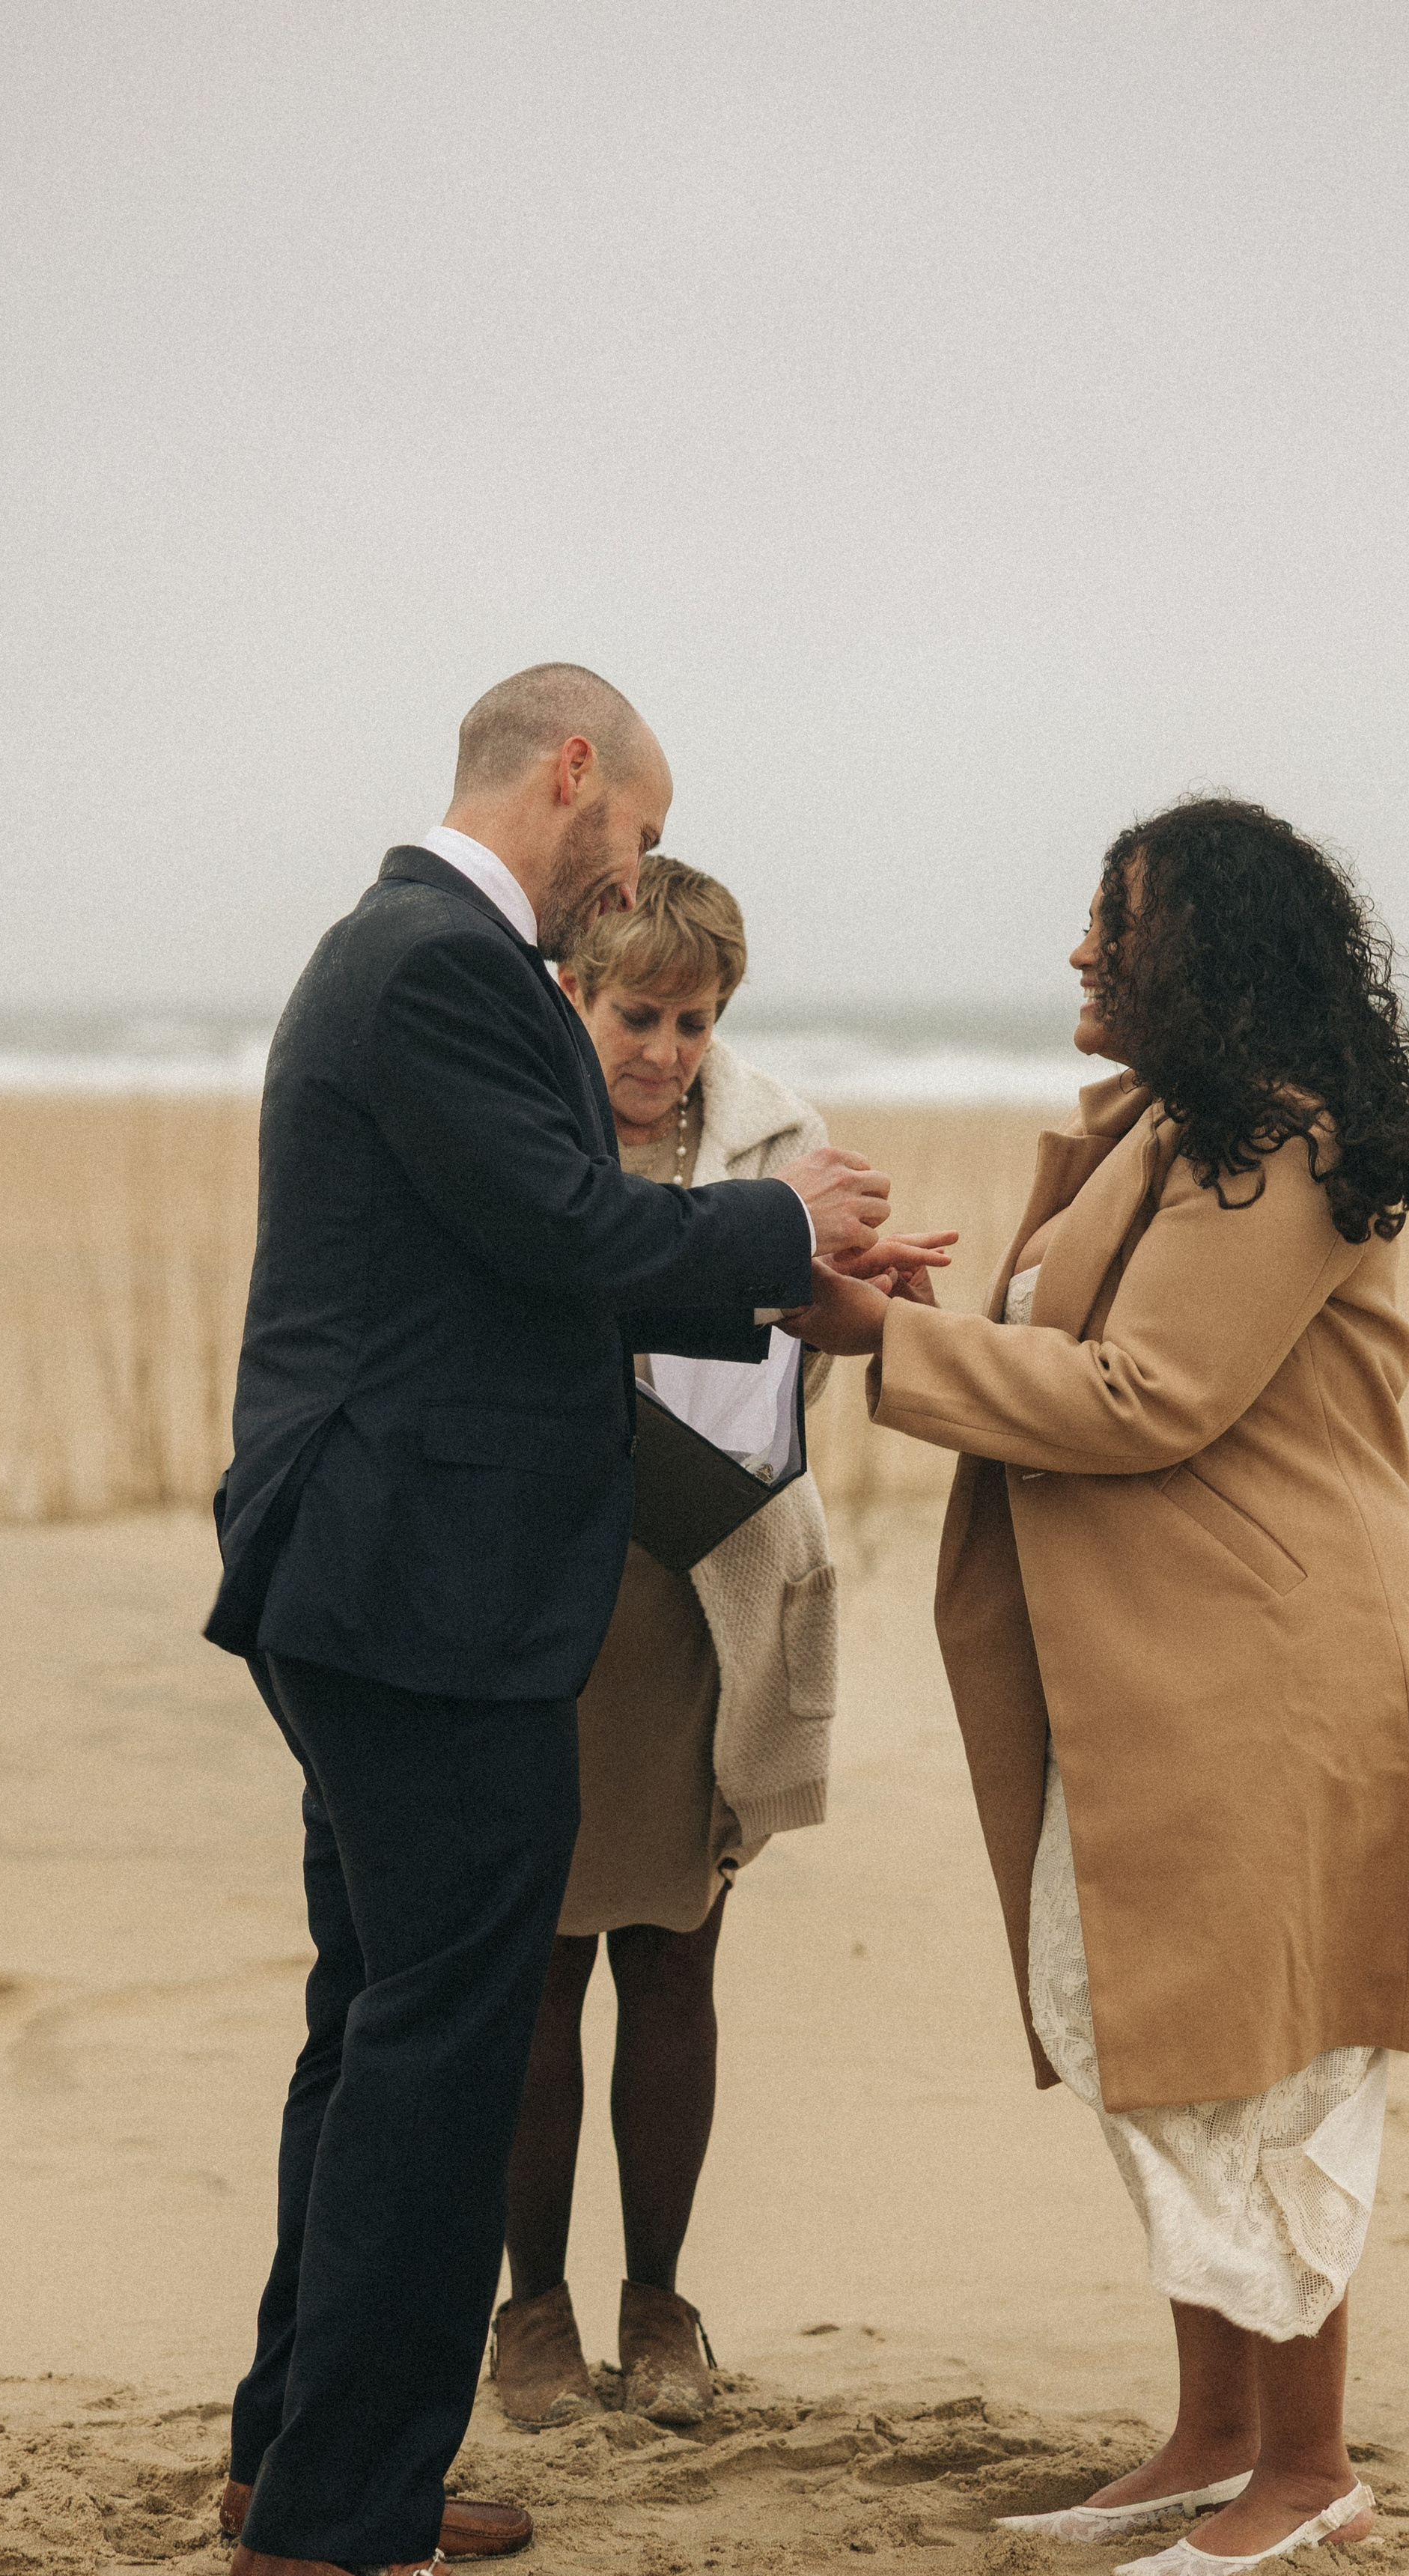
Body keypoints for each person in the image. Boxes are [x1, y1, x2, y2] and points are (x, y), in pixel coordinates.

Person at [204, 663, 900, 2576]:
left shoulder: (425, 952)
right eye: (641, 818)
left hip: (383, 1571)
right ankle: (338, 2522)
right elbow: (570, 1230)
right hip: (415, 1584)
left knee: (374, 2025)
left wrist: (786, 1266)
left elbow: (532, 1253)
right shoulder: (438, 960)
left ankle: (305, 2450)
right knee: (430, 2043)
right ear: (572, 775)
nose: (644, 859)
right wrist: (784, 1225)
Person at [784, 796, 1409, 2576]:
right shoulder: (1162, 1132)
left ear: (1209, 953)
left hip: (1275, 1664)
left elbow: (1146, 1395)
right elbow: (1075, 1349)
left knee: (1269, 2063)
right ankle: (1210, 2432)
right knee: (1140, 2028)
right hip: (1157, 1673)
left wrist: (884, 1345)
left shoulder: (1284, 1138)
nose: (1083, 948)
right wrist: (903, 1303)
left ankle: (1308, 2462)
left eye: (1119, 919)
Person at [493, 859, 901, 2429]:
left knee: (676, 1950)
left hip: (713, 1586)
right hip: (545, 1587)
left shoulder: (781, 1136)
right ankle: (530, 2315)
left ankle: (657, 2307)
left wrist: (852, 1289)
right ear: (570, 996)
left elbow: (813, 1343)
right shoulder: (518, 1128)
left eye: (692, 1017)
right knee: (536, 1961)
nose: (664, 1048)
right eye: (635, 1013)